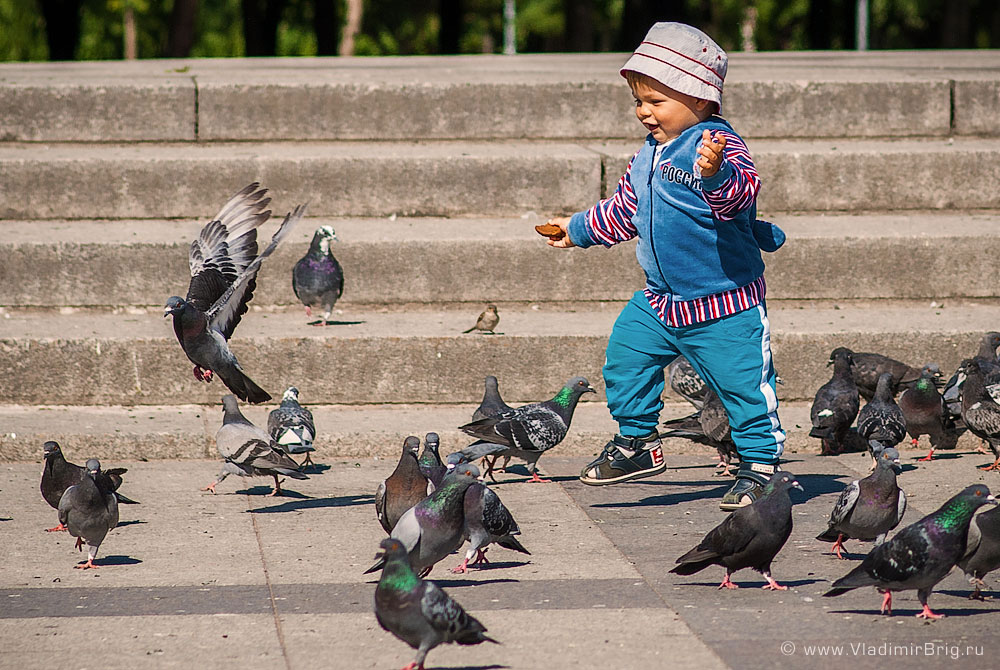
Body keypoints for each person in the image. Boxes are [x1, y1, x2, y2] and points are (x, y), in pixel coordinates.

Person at [544, 22, 786, 510]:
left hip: (724, 304)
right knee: (625, 358)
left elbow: (740, 197)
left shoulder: (717, 143)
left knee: (744, 391)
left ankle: (760, 466)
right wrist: (577, 229)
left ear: (699, 99)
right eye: (638, 101)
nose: (643, 112)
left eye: (656, 101)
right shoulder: (646, 156)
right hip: (660, 301)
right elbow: (625, 210)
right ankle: (638, 444)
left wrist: (714, 173)